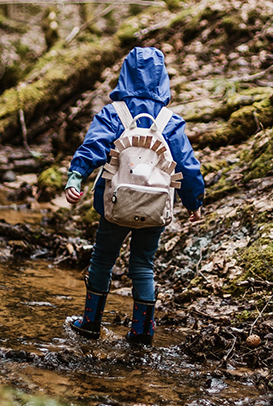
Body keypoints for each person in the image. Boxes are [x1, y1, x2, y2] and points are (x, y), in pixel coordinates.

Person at [64, 46, 204, 345]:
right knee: (143, 264)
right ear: (162, 79)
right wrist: (194, 203)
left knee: (102, 259)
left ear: (124, 74)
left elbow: (93, 147)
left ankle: (90, 324)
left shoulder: (113, 114)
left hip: (115, 202)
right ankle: (141, 332)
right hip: (155, 206)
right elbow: (188, 167)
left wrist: (75, 177)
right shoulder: (170, 121)